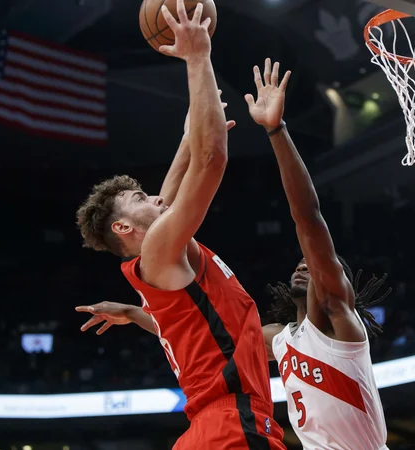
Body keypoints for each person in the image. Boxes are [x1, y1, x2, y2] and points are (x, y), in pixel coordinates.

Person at [73, 2, 284, 449]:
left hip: (207, 431)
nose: (153, 197)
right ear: (124, 230)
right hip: (231, 427)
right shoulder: (161, 250)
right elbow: (212, 160)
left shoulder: (161, 265)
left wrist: (134, 314)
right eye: (138, 199)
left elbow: (176, 182)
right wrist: (197, 58)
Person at [248, 58, 390, 450]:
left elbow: (308, 218)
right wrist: (141, 312)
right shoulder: (279, 341)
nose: (303, 264)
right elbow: (208, 334)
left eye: (313, 264)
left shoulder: (338, 322)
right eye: (300, 263)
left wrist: (276, 130)